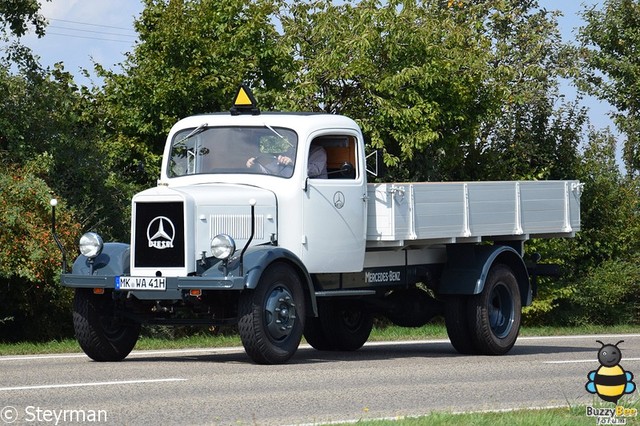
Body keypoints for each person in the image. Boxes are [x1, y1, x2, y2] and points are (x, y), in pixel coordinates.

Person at [246, 144, 327, 178]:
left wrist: (293, 163)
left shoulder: (317, 151)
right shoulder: (291, 151)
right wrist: (255, 165)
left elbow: (314, 170)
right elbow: (271, 169)